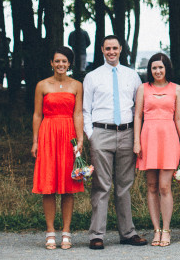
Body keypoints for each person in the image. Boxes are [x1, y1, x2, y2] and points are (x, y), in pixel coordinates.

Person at [83, 35, 147, 250]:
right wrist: (92, 135)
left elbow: (138, 109)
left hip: (127, 133)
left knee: (124, 186)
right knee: (101, 185)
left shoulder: (132, 76)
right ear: (102, 49)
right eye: (107, 48)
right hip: (102, 132)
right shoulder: (92, 77)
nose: (111, 52)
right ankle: (96, 234)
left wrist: (136, 137)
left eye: (115, 48)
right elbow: (86, 110)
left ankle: (128, 233)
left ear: (121, 49)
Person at [32, 46, 84, 250]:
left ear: (69, 64)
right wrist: (35, 141)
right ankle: (50, 231)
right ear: (51, 63)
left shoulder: (77, 85)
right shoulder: (42, 85)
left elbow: (78, 113)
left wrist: (80, 139)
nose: (61, 64)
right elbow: (37, 114)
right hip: (48, 133)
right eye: (57, 61)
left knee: (68, 186)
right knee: (48, 184)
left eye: (64, 61)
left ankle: (66, 232)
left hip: (68, 134)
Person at [133, 53, 180, 247]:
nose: (157, 71)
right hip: (148, 137)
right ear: (150, 70)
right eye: (154, 68)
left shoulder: (176, 89)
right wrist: (136, 142)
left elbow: (179, 118)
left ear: (167, 69)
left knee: (165, 186)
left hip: (169, 137)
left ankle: (166, 229)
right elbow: (138, 116)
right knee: (151, 186)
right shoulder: (143, 89)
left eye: (161, 68)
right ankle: (156, 229)